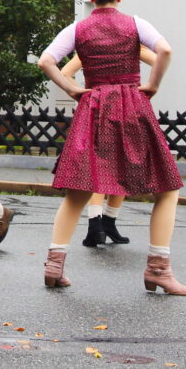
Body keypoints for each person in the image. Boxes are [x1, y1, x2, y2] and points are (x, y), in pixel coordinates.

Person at [37, 0, 186, 295]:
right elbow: (165, 51)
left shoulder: (78, 28)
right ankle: (158, 270)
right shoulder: (135, 24)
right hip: (132, 107)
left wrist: (72, 89)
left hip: (93, 107)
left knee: (78, 191)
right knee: (166, 188)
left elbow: (46, 61)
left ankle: (54, 265)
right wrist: (153, 85)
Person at [58, 49, 154, 247]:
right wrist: (146, 88)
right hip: (127, 109)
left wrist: (83, 94)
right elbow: (159, 58)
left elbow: (65, 72)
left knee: (100, 167)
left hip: (98, 108)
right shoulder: (131, 45)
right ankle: (108, 221)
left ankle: (97, 223)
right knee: (123, 165)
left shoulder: (92, 48)